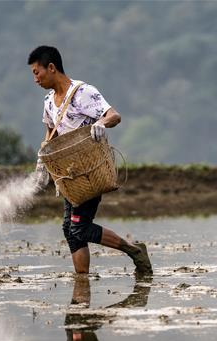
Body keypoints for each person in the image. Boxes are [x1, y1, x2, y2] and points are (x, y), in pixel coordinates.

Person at [28, 45, 152, 277]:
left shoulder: (82, 93)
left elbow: (113, 115)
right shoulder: (48, 102)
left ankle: (134, 251)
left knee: (79, 228)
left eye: (37, 72)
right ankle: (82, 279)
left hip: (89, 172)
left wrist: (100, 124)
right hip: (69, 177)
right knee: (70, 229)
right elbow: (50, 133)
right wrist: (42, 162)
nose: (35, 78)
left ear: (51, 68)